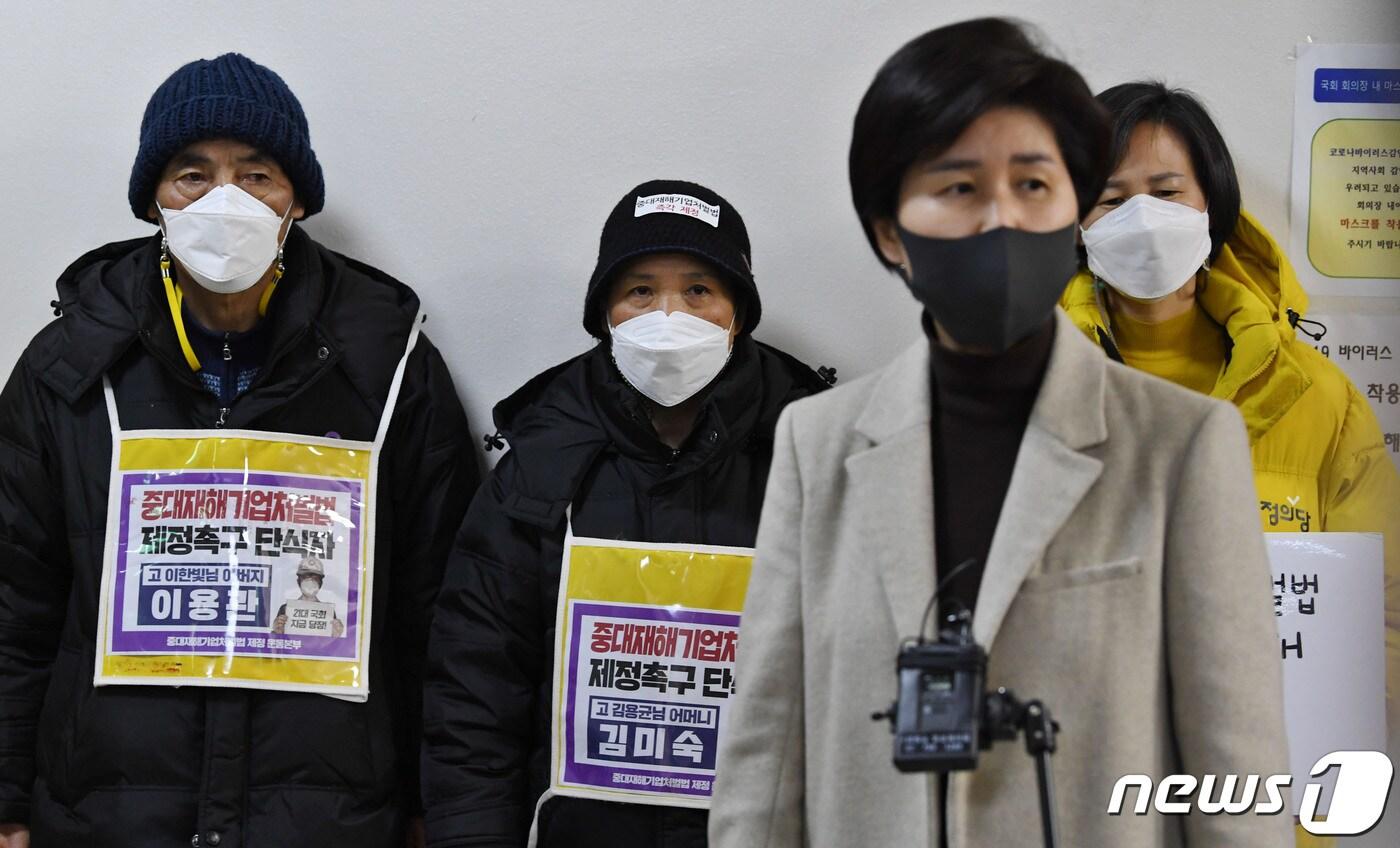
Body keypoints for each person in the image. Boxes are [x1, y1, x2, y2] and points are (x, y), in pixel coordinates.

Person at [709, 18, 1290, 847]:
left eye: (1033, 185)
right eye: (958, 188)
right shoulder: (818, 443)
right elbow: (762, 759)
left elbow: (1239, 778)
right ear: (889, 232)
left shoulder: (1182, 444)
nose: (1001, 221)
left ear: (1074, 212)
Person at [0, 53, 478, 847]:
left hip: (327, 818)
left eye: (256, 175)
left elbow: (441, 616)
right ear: (154, 199)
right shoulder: (71, 367)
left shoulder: (389, 366)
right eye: (193, 174)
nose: (226, 199)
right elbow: (15, 601)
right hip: (111, 816)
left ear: (296, 200)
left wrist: (443, 807)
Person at [421, 179, 830, 848]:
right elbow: (475, 695)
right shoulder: (537, 467)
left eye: (699, 290)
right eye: (640, 291)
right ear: (605, 313)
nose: (669, 316)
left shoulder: (808, 454)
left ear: (739, 313)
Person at [1064, 80, 1400, 848]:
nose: (1141, 217)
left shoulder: (1319, 399)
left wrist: (1326, 742)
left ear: (1210, 201)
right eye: (1109, 198)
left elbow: (1388, 610)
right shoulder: (1017, 390)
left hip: (1277, 809)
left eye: (1166, 189)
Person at [273, 555, 345, 638]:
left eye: (315, 578)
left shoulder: (328, 612)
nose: (310, 581)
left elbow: (330, 647)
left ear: (321, 583)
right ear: (298, 581)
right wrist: (277, 632)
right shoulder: (286, 609)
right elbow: (278, 645)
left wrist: (336, 636)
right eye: (306, 577)